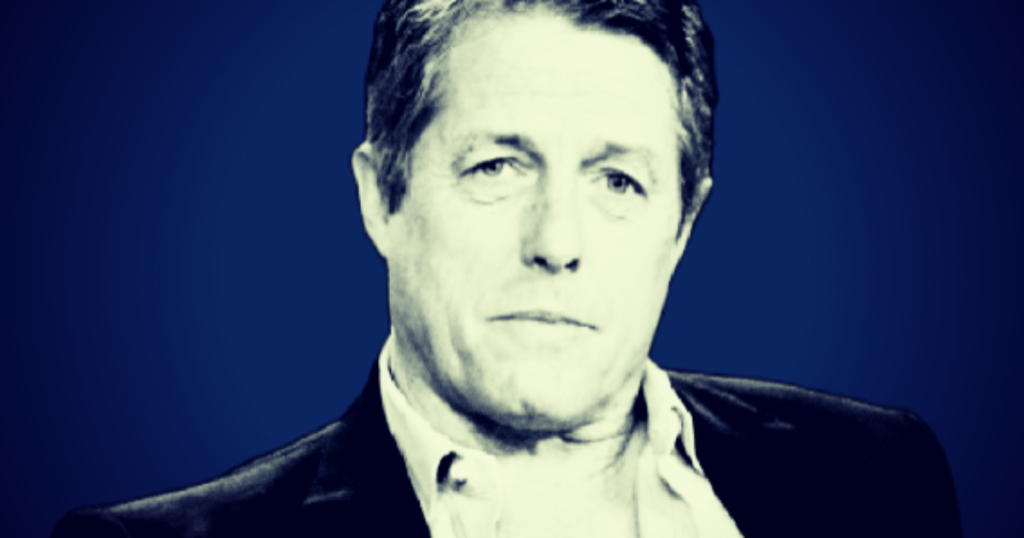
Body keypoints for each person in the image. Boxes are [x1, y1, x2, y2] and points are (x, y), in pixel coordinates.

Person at [51, 0, 962, 536]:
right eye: (497, 167)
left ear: (683, 226)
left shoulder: (881, 475)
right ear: (381, 197)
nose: (557, 241)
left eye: (618, 181)